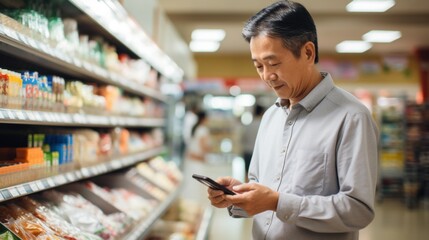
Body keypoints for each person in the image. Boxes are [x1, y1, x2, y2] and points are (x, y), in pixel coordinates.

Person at [206, 1, 379, 239]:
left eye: (273, 63)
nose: (267, 76)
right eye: (258, 66)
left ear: (308, 52)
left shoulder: (351, 117)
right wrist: (238, 194)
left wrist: (278, 203)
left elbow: (358, 210)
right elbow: (260, 184)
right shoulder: (271, 117)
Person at [181, 110, 213, 204]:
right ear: (204, 119)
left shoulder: (195, 128)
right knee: (197, 186)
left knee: (190, 185)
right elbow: (204, 147)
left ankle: (188, 205)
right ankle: (195, 207)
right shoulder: (203, 130)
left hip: (190, 160)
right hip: (198, 161)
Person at [241, 104, 264, 176]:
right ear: (262, 112)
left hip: (247, 152)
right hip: (259, 153)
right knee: (259, 175)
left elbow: (243, 139)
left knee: (247, 174)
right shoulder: (264, 125)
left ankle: (245, 186)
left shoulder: (248, 125)